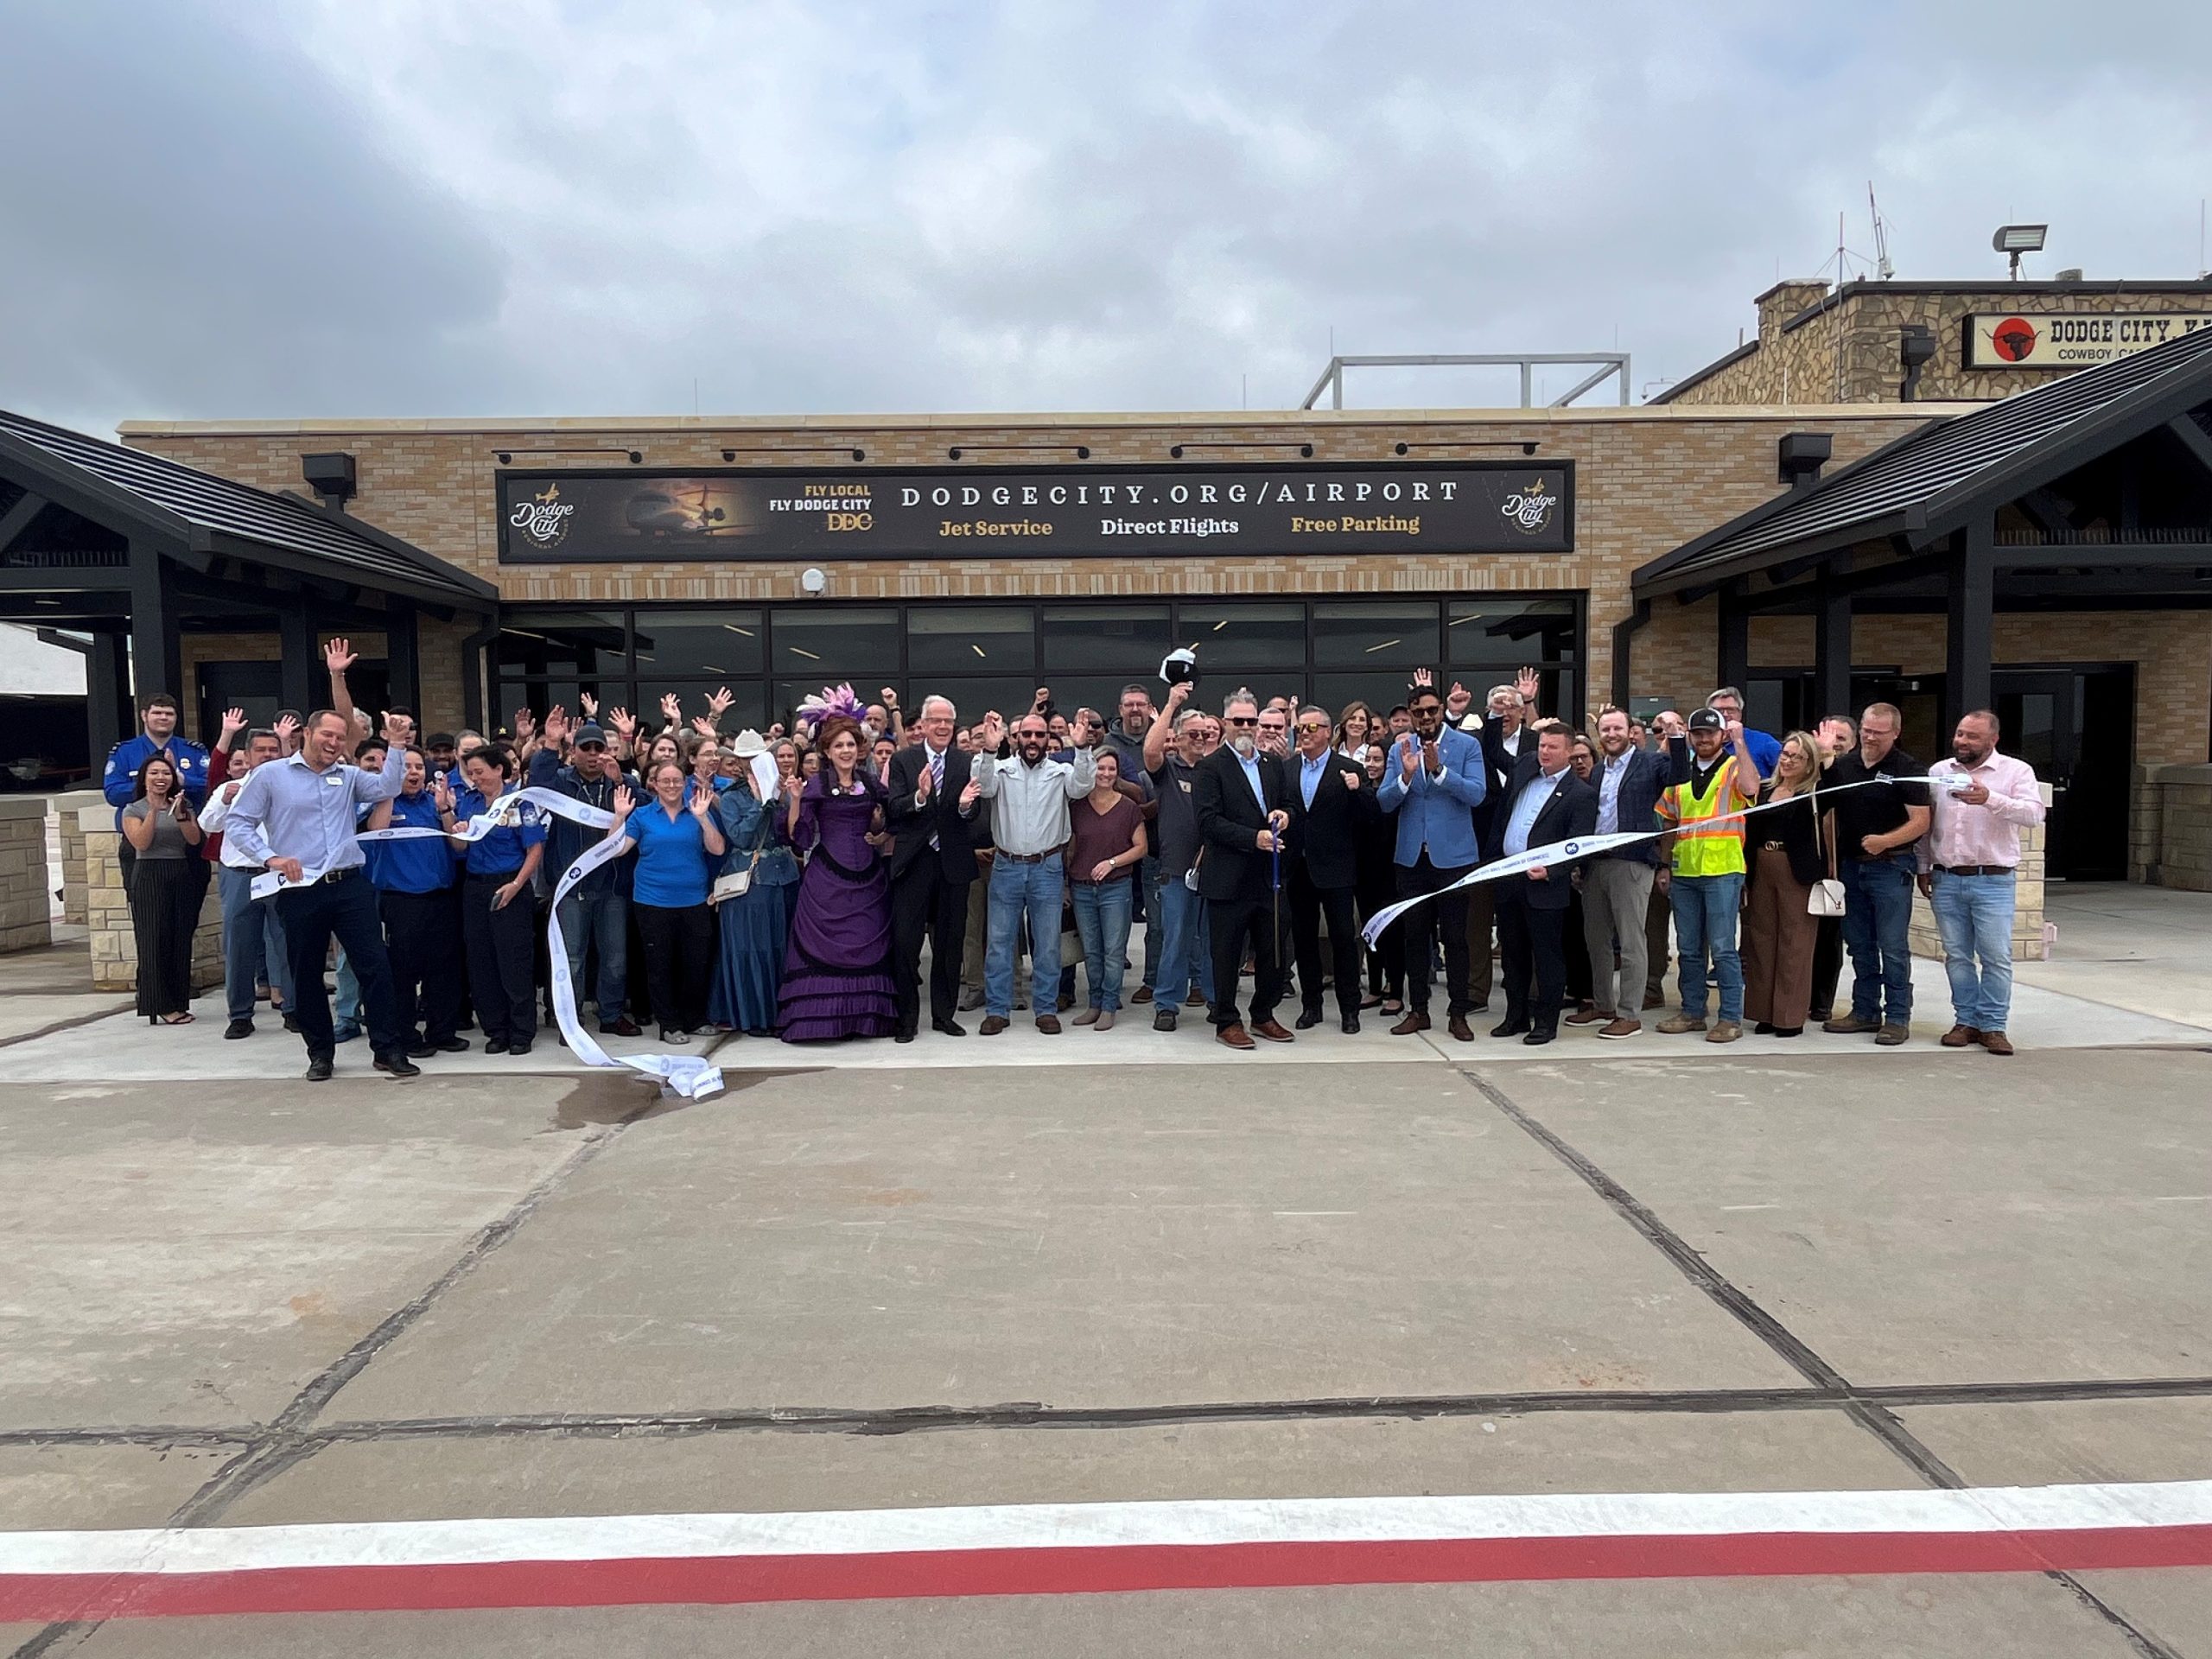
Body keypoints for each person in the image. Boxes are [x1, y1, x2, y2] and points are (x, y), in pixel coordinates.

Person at [223, 709, 419, 1081]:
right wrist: (270, 858)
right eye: (327, 735)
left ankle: (387, 1049)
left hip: (348, 884)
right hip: (299, 889)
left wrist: (394, 745)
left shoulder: (347, 777)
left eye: (340, 738)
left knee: (375, 965)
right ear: (308, 734)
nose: (333, 743)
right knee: (306, 973)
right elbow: (238, 821)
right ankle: (320, 1053)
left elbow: (386, 788)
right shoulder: (270, 775)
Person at [1919, 710, 2044, 1056]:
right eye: (1960, 734)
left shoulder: (2016, 771)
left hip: (1993, 879)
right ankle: (1965, 1022)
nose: (1962, 741)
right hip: (1947, 877)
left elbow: (2034, 814)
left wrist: (1990, 799)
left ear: (1993, 740)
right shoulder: (1939, 772)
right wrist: (1923, 866)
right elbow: (1927, 825)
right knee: (1957, 956)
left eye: (1972, 736)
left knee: (1995, 956)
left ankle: (1993, 1026)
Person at [1376, 677, 1487, 1040]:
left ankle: (1458, 1013)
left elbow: (1477, 794)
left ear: (1442, 711)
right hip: (1412, 858)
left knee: (1455, 939)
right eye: (1419, 711)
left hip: (1453, 858)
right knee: (1414, 938)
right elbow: (1385, 801)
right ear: (1410, 714)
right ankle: (1418, 1009)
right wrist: (1406, 777)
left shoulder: (1466, 745)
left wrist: (1440, 771)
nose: (1425, 716)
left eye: (1432, 710)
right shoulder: (1399, 748)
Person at [778, 715, 897, 1040]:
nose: (845, 750)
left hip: (868, 880)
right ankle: (822, 1022)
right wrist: (797, 800)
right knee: (824, 950)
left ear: (859, 749)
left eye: (850, 744)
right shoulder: (815, 785)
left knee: (866, 942)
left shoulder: (871, 784)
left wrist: (881, 832)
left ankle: (863, 1021)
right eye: (838, 745)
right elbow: (798, 838)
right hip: (826, 881)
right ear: (827, 751)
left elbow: (894, 819)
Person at [975, 709, 1094, 1035]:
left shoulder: (1060, 772)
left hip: (1047, 866)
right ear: (1016, 738)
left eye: (1039, 735)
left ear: (1047, 740)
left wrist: (1082, 749)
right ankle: (998, 1010)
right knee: (999, 942)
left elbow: (1083, 786)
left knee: (1048, 944)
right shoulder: (1000, 769)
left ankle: (1046, 1008)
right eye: (1026, 734)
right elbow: (983, 788)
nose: (1032, 741)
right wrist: (987, 749)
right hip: (1007, 866)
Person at [1821, 702, 1931, 1046]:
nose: (1869, 737)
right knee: (1860, 945)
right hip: (1852, 868)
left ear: (1895, 733)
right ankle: (1865, 1011)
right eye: (1866, 730)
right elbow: (1827, 809)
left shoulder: (1907, 768)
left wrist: (1886, 841)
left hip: (1891, 867)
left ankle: (1897, 1016)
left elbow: (1921, 821)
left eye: (1878, 733)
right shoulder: (1846, 765)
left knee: (1893, 946)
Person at [1192, 692, 1295, 1049]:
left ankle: (1263, 1013)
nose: (1247, 727)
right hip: (1228, 877)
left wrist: (1285, 814)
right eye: (1239, 721)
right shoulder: (1210, 767)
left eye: (1252, 721)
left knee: (1273, 950)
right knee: (1226, 954)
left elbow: (1288, 802)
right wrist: (1254, 838)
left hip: (1270, 877)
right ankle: (1226, 1020)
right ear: (1224, 723)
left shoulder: (1272, 764)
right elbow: (1208, 822)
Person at [529, 716, 642, 1038]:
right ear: (574, 751)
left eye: (599, 748)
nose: (593, 754)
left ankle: (611, 1015)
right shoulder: (561, 781)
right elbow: (537, 782)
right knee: (572, 960)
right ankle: (569, 1019)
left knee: (615, 959)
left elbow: (645, 807)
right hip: (572, 885)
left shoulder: (620, 782)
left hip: (612, 884)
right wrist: (551, 744)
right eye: (586, 748)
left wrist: (621, 779)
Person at [1654, 708, 1761, 1043]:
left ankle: (1730, 1017)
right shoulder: (1680, 772)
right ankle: (1693, 1010)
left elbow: (1751, 787)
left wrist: (1740, 743)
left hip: (1722, 870)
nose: (1703, 739)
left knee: (1723, 948)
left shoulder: (1732, 768)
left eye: (1710, 733)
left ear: (1722, 735)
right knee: (1688, 948)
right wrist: (1664, 864)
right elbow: (1669, 821)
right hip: (1685, 871)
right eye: (1697, 733)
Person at [1488, 724, 1599, 1046]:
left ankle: (1546, 1022)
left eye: (1552, 747)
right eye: (1542, 746)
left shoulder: (1581, 794)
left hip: (1544, 885)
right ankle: (1516, 1016)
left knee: (1547, 955)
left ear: (1569, 753)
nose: (1544, 752)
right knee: (1512, 953)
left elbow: (1580, 844)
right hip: (1509, 878)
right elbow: (1494, 756)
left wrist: (1553, 871)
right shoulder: (1525, 769)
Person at [1565, 708, 1672, 1040]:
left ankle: (1629, 1014)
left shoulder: (1650, 764)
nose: (1611, 734)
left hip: (1632, 863)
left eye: (1618, 728)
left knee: (1630, 942)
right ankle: (1603, 1004)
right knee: (1596, 940)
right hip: (1597, 863)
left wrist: (1675, 737)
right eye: (1606, 729)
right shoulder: (1596, 772)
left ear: (1630, 731)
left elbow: (1681, 774)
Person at [884, 695, 984, 1041]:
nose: (942, 727)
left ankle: (944, 1016)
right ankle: (907, 1019)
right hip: (915, 862)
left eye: (948, 722)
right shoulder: (903, 761)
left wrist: (965, 807)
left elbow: (973, 814)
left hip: (953, 863)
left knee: (950, 944)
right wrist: (920, 797)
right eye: (936, 721)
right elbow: (894, 808)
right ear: (923, 726)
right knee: (906, 943)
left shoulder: (964, 761)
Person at [603, 762, 725, 1043]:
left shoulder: (697, 809)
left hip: (694, 900)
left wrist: (704, 819)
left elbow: (717, 848)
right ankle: (669, 1024)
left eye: (677, 781)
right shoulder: (642, 816)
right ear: (653, 784)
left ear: (685, 783)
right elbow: (616, 850)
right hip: (652, 902)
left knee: (695, 963)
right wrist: (619, 817)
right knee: (660, 966)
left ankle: (694, 1018)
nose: (671, 786)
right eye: (665, 781)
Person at [362, 747, 467, 1055]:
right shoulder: (383, 802)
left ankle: (442, 1032)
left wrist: (446, 810)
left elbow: (458, 846)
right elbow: (376, 830)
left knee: (444, 971)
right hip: (401, 902)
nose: (414, 773)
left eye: (419, 767)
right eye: (406, 767)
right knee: (402, 974)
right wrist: (388, 791)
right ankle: (407, 1036)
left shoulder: (436, 803)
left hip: (441, 899)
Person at [448, 743, 545, 1057]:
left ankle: (521, 1030)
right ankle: (496, 1029)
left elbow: (534, 850)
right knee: (481, 960)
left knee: (514, 960)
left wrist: (517, 885)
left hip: (510, 884)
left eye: (480, 772)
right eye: (471, 773)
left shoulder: (520, 803)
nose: (476, 778)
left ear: (499, 769)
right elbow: (460, 849)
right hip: (476, 887)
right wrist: (457, 828)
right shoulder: (469, 802)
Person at [199, 725, 296, 1039]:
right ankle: (240, 1014)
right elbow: (207, 825)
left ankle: (293, 1009)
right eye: (261, 750)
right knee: (240, 946)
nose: (268, 755)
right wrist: (225, 802)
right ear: (249, 755)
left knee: (287, 944)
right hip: (240, 875)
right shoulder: (232, 787)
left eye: (273, 750)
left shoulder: (292, 786)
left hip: (279, 875)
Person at [1286, 703, 1371, 1033]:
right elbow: (1288, 808)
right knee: (1304, 939)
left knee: (1342, 940)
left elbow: (1368, 816)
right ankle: (1312, 1006)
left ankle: (1350, 1009)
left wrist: (1357, 790)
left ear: (1325, 731)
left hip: (1336, 868)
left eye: (1310, 728)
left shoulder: (1347, 768)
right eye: (1300, 729)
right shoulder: (1288, 768)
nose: (1304, 735)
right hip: (1299, 866)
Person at [709, 734, 798, 1036]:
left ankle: (784, 1011)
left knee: (781, 947)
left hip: (785, 877)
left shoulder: (783, 790)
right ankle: (756, 1017)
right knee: (752, 950)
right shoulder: (733, 796)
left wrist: (788, 798)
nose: (752, 764)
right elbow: (741, 837)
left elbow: (794, 833)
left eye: (758, 757)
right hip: (750, 882)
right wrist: (761, 803)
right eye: (745, 759)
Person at [1739, 732, 1827, 1039]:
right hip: (1762, 865)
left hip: (1796, 870)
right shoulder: (1765, 790)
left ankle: (1789, 1016)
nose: (1789, 761)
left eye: (1797, 757)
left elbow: (1836, 777)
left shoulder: (1816, 791)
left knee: (1795, 942)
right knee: (1761, 940)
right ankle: (1763, 1012)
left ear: (1810, 763)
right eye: (1786, 755)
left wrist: (1828, 751)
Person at [1141, 689, 1218, 1032]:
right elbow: (1149, 751)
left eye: (1205, 734)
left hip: (1217, 870)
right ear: (1180, 737)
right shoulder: (1167, 771)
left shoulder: (1217, 771)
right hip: (1176, 870)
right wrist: (1172, 705)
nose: (1200, 739)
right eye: (1194, 734)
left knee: (1215, 939)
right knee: (1175, 938)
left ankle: (1218, 999)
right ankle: (1167, 1003)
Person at [119, 755, 203, 1024]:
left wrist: (180, 814)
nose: (160, 779)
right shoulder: (133, 809)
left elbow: (194, 839)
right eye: (154, 773)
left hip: (178, 872)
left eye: (166, 774)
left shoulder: (182, 805)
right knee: (154, 940)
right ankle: (159, 1004)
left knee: (179, 938)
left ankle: (178, 1000)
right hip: (149, 874)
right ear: (144, 778)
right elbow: (141, 843)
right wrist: (154, 811)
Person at [1066, 749, 1147, 1028]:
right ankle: (1094, 1002)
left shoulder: (1128, 808)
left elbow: (1141, 848)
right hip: (1082, 888)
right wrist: (1067, 882)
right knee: (1091, 950)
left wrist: (1112, 862)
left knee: (1113, 950)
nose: (1106, 774)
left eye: (1111, 769)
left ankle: (1110, 1006)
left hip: (1116, 887)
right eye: (1100, 768)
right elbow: (1071, 847)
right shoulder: (1077, 807)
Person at [103, 692, 213, 892]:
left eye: (169, 714)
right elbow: (113, 793)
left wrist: (181, 780)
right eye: (157, 713)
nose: (164, 718)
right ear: (144, 716)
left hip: (185, 840)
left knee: (189, 906)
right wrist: (153, 786)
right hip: (139, 840)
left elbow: (210, 788)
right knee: (144, 907)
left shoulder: (194, 751)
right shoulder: (125, 752)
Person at [1808, 714, 1859, 1022]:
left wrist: (1829, 758)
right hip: (1807, 864)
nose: (1834, 743)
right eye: (1828, 736)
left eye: (1841, 738)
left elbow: (1839, 794)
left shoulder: (1853, 771)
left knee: (1830, 938)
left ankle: (1822, 1001)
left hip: (1841, 868)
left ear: (1852, 744)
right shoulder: (1805, 769)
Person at [1353, 743, 1405, 1014]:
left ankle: (1395, 990)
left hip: (1391, 872)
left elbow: (1381, 814)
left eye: (1378, 759)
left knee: (1393, 933)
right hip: (1364, 872)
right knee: (1369, 929)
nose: (1372, 764)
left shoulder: (1393, 793)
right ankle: (1374, 987)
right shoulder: (1361, 789)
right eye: (1368, 759)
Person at [1706, 686, 1783, 777]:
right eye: (1719, 710)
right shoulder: (1700, 742)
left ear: (1740, 714)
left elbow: (1788, 773)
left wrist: (1739, 741)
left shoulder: (1764, 742)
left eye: (1731, 710)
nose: (1725, 715)